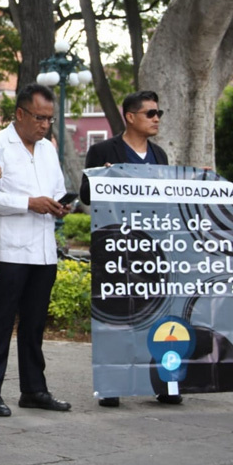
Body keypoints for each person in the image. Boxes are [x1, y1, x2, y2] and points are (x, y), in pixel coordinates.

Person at [80, 90, 181, 408]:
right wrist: (104, 178)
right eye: (150, 113)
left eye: (159, 113)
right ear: (130, 116)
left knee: (159, 314)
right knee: (117, 316)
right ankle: (113, 383)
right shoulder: (101, 151)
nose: (156, 119)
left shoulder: (160, 155)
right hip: (115, 249)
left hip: (152, 252)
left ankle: (164, 382)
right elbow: (85, 194)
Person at [0, 83, 72, 418]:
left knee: (34, 324)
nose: (44, 125)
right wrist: (28, 203)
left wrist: (61, 206)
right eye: (39, 117)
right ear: (19, 113)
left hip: (44, 250)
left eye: (49, 118)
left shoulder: (47, 149)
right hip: (9, 250)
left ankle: (34, 389)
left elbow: (57, 190)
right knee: (0, 322)